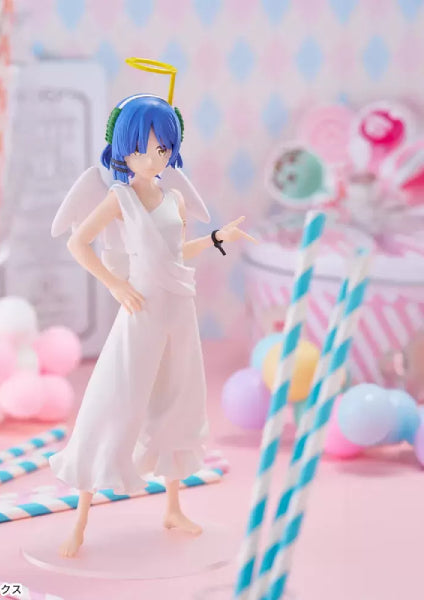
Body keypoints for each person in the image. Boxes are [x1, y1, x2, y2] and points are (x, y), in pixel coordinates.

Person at [49, 81, 255, 558]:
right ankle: (80, 519)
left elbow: (174, 252)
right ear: (123, 148)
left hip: (178, 308)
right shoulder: (118, 199)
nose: (153, 158)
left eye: (162, 149)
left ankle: (173, 507)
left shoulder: (175, 199)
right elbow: (78, 243)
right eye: (143, 148)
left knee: (176, 400)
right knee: (114, 400)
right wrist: (114, 284)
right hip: (141, 309)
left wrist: (217, 238)